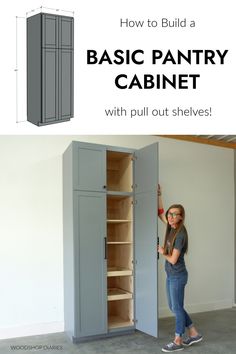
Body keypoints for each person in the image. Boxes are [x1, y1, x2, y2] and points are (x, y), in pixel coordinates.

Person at [157, 184, 202, 353]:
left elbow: (174, 260)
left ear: (181, 217)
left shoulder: (180, 234)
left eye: (174, 214)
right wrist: (159, 194)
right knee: (175, 307)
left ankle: (178, 340)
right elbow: (160, 213)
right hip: (171, 275)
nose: (170, 216)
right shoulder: (171, 227)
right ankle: (194, 333)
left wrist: (162, 251)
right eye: (170, 213)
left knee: (176, 308)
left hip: (178, 275)